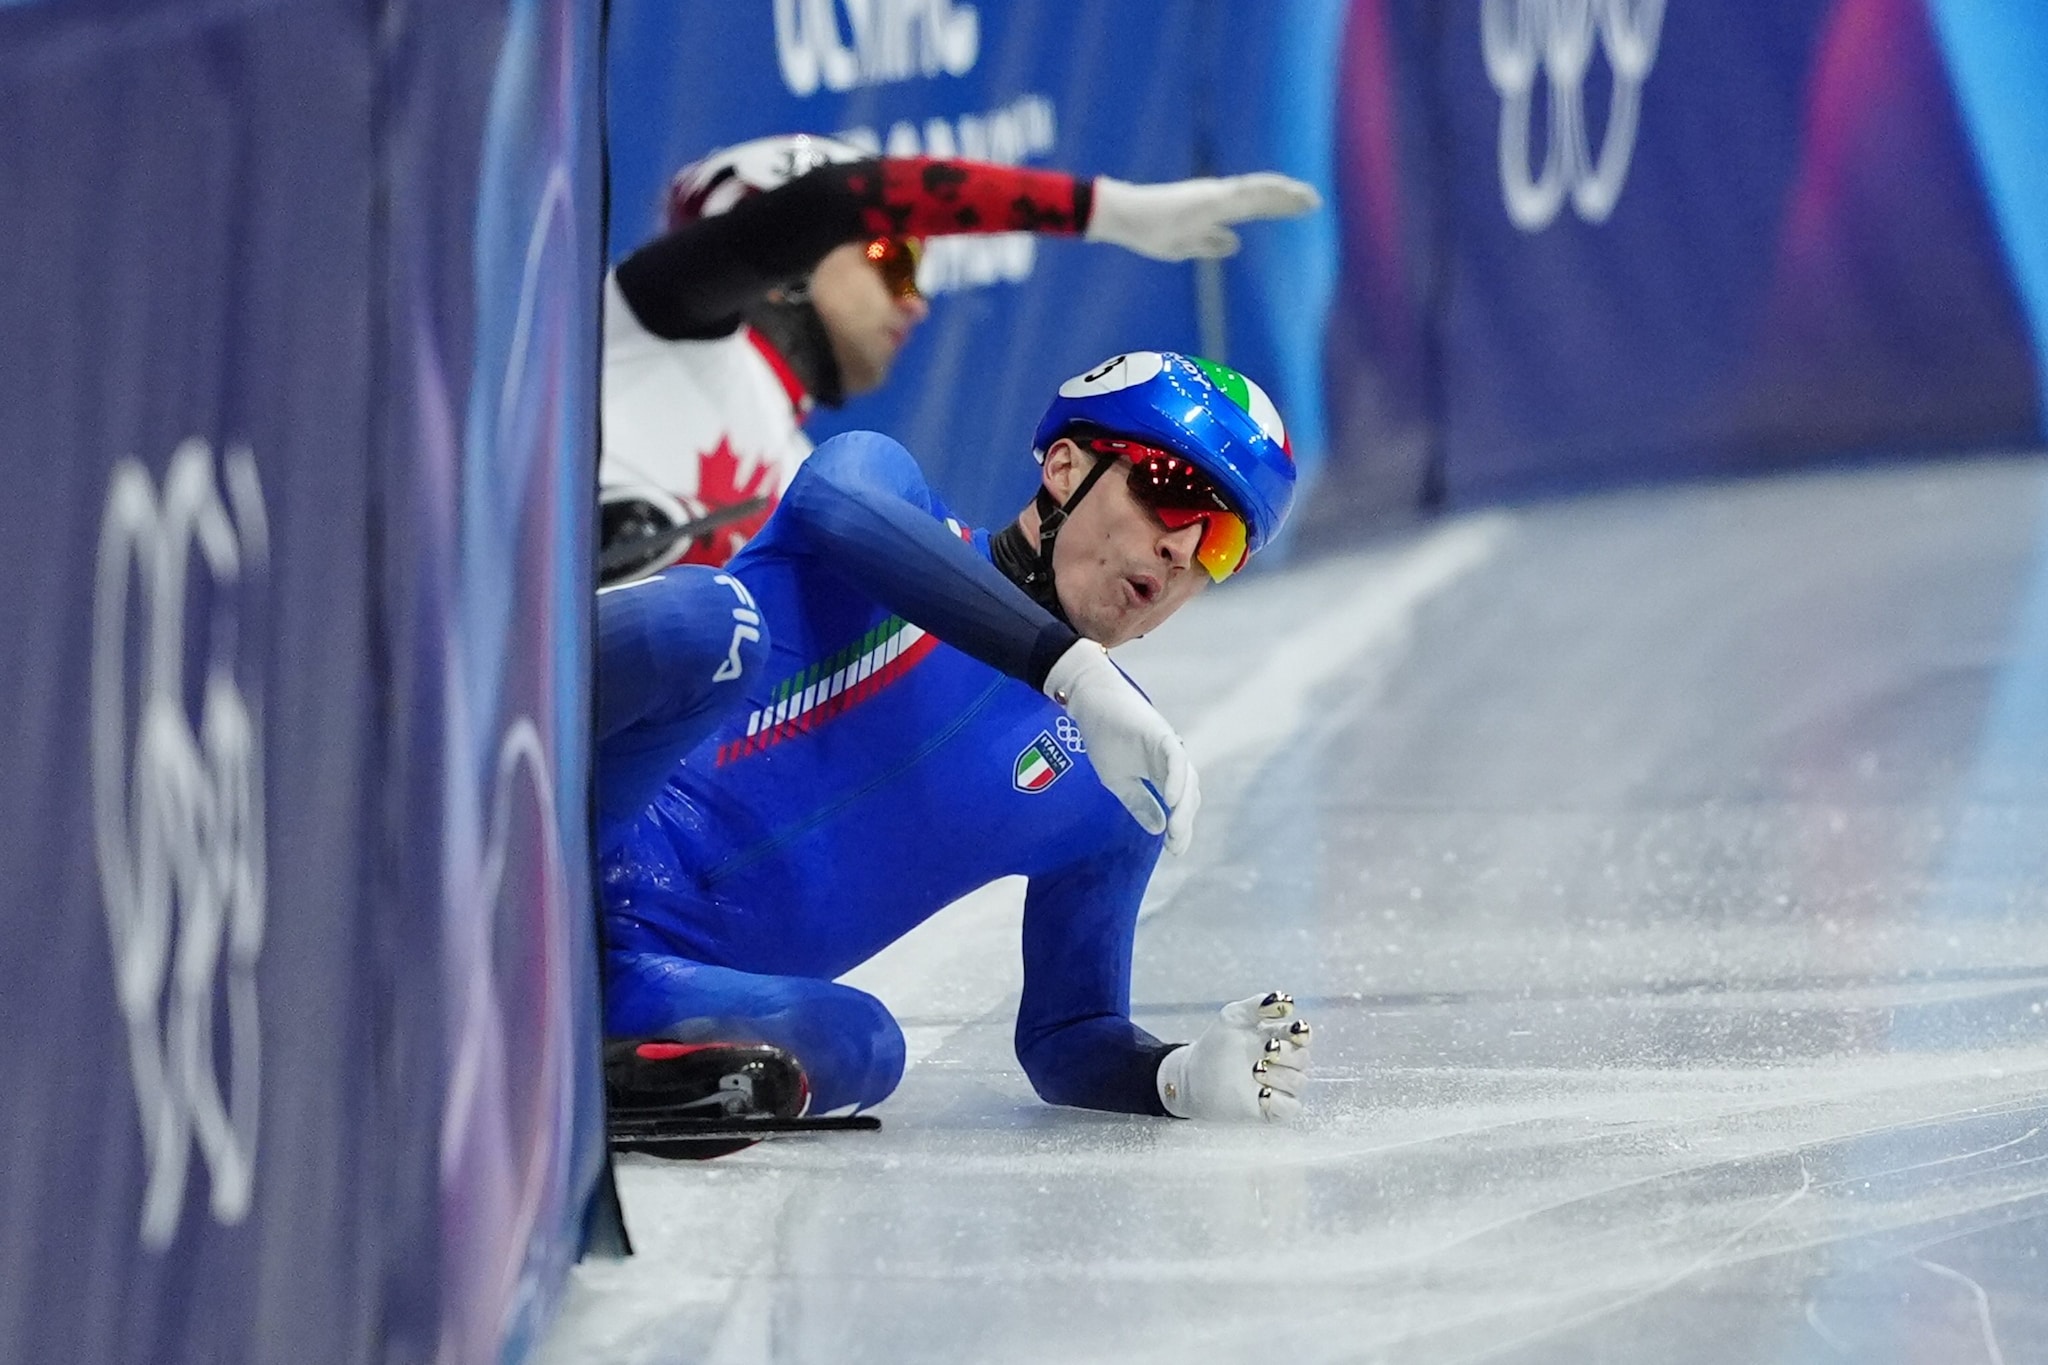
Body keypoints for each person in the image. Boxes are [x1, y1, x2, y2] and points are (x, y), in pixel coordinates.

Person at [596, 351, 1313, 1136]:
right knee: (707, 619)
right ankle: (448, 762)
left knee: (864, 1046)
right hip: (566, 827)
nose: (1182, 547)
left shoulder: (1117, 778)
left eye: (1221, 543)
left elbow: (1067, 1035)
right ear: (1067, 468)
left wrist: (1172, 1076)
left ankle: (598, 1061)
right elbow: (840, 503)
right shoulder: (883, 482)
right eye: (1171, 492)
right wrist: (1068, 668)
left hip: (649, 981)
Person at [598, 133, 1319, 580]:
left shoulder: (800, 472)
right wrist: (1107, 210)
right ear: (784, 260)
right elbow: (833, 201)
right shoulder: (644, 325)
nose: (916, 301)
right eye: (893, 258)